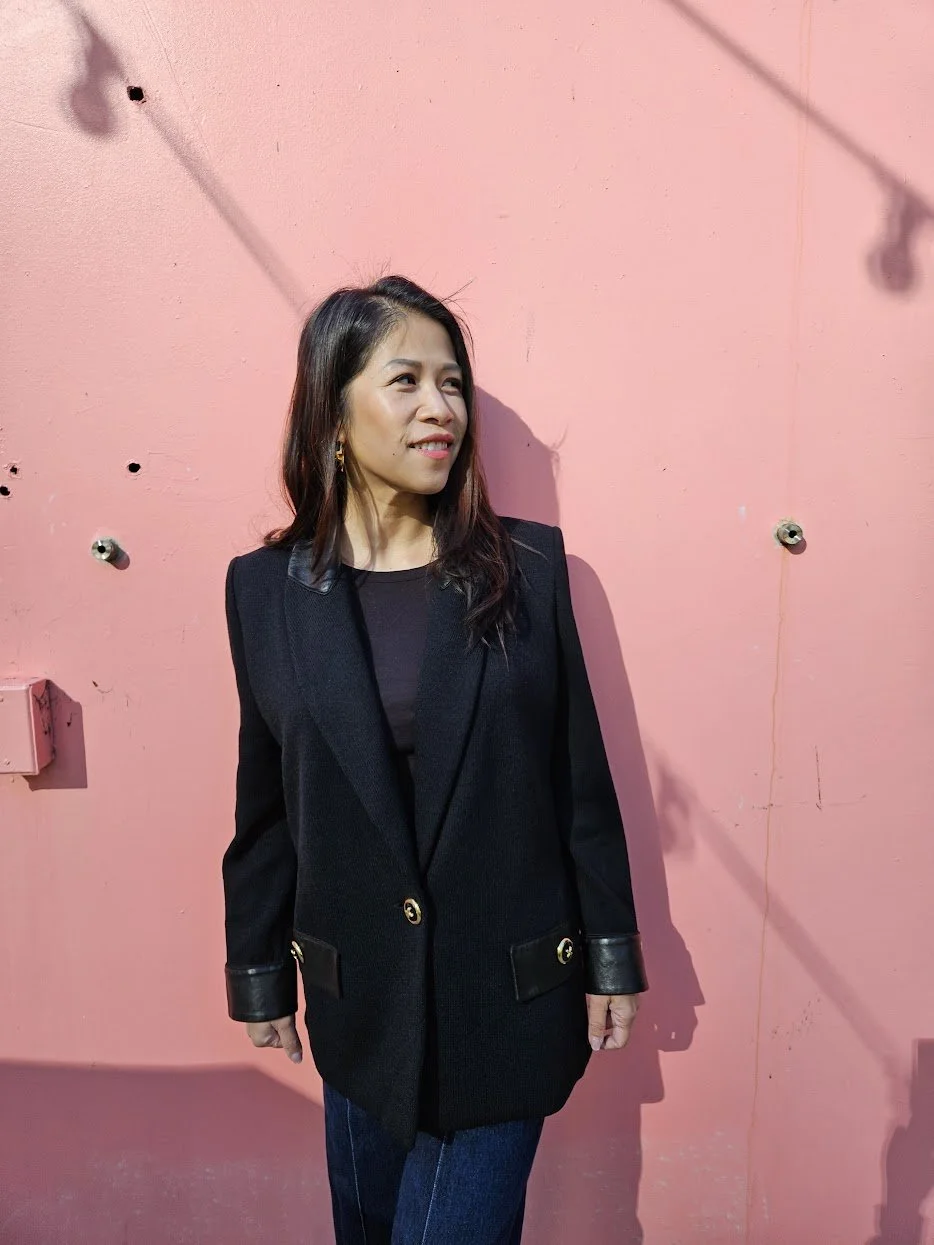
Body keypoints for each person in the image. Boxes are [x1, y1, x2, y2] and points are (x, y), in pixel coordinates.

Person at [222, 275, 648, 1244]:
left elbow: (578, 782)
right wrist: (257, 966)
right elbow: (267, 802)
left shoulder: (528, 569)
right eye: (406, 380)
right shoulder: (265, 591)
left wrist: (612, 952)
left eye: (452, 383)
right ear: (333, 413)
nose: (440, 407)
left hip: (505, 1001)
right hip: (358, 1008)